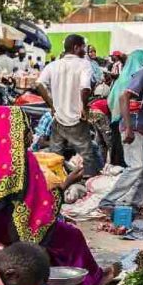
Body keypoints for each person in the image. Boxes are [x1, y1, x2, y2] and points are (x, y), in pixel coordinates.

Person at [0, 106, 119, 285]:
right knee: (71, 235)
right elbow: (37, 210)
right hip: (17, 231)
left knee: (59, 229)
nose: (29, 134)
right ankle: (94, 282)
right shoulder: (21, 161)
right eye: (26, 128)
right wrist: (65, 184)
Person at [100, 42, 143, 213]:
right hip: (134, 128)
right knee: (136, 167)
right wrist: (128, 128)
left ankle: (132, 206)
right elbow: (123, 97)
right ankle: (107, 202)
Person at [35, 34, 101, 178]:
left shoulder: (53, 65)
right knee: (87, 155)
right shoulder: (84, 64)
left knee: (55, 155)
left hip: (58, 118)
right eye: (83, 47)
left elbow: (39, 84)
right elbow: (85, 87)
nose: (85, 50)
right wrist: (84, 107)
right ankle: (87, 185)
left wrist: (51, 105)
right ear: (76, 47)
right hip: (76, 118)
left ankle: (56, 182)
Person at [107, 49, 143, 167]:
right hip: (127, 121)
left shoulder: (123, 76)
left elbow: (111, 100)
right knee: (131, 162)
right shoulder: (135, 77)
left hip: (116, 118)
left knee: (117, 149)